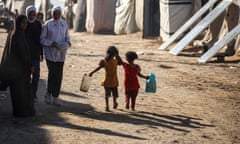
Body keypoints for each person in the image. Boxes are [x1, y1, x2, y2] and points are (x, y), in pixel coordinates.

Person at [1, 15, 35, 117]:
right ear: (19, 23)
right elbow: (22, 53)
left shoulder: (16, 33)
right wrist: (30, 65)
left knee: (19, 92)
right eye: (23, 23)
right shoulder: (17, 35)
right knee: (20, 92)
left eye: (26, 23)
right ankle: (22, 113)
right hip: (18, 70)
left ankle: (22, 112)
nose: (25, 25)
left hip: (17, 69)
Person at [40, 6, 71, 106]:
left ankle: (55, 96)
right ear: (52, 13)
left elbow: (67, 37)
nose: (56, 15)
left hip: (61, 54)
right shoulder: (48, 24)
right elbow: (42, 39)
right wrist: (50, 43)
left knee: (59, 75)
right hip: (50, 53)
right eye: (54, 13)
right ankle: (48, 94)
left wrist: (68, 43)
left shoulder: (64, 24)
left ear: (60, 13)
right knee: (52, 73)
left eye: (58, 13)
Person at [89, 46, 122, 112]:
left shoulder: (104, 61)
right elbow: (121, 63)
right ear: (115, 54)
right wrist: (118, 56)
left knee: (107, 94)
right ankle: (114, 103)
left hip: (107, 80)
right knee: (114, 94)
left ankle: (107, 106)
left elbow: (98, 68)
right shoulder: (116, 61)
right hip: (114, 80)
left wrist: (92, 72)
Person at [25, 5, 43, 102]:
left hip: (35, 54)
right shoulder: (24, 23)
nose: (32, 17)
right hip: (26, 54)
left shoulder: (38, 24)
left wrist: (41, 54)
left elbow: (40, 40)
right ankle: (27, 94)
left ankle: (33, 94)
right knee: (26, 75)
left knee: (36, 76)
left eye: (33, 15)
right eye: (30, 15)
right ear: (27, 14)